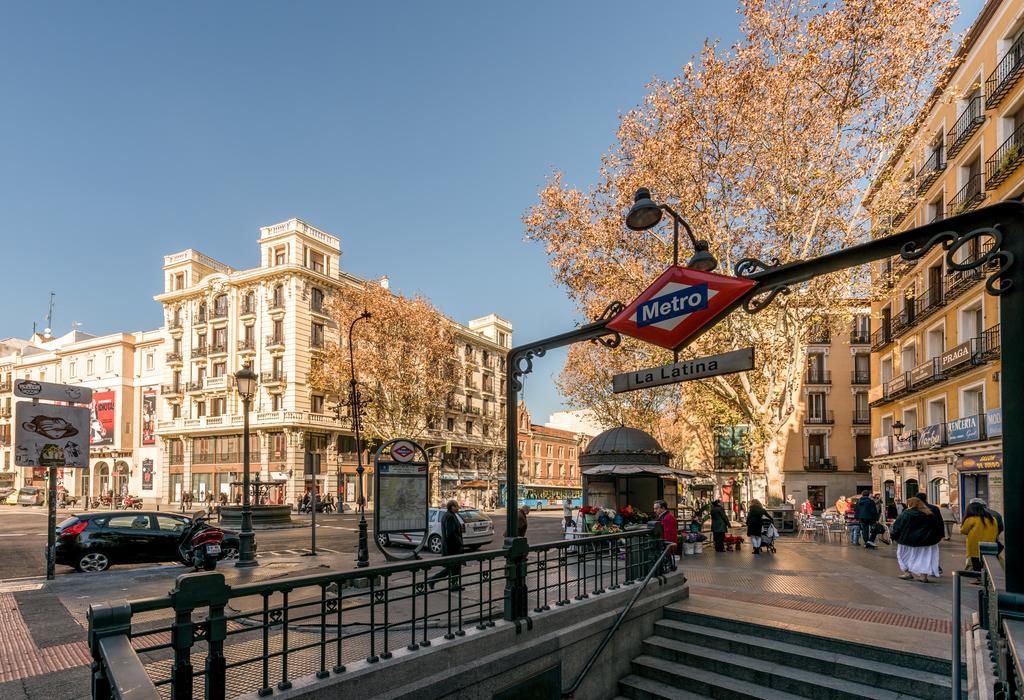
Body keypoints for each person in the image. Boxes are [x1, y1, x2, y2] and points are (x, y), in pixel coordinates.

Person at [890, 497, 942, 582]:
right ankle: (923, 576)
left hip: (907, 540)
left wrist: (893, 536)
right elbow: (937, 527)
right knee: (925, 558)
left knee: (903, 556)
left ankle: (907, 573)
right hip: (926, 541)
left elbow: (898, 526)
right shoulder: (929, 514)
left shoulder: (906, 514)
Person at [429, 500, 464, 590]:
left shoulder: (449, 515)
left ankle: (452, 584)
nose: (458, 508)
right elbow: (451, 533)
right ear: (452, 507)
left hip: (451, 547)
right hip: (453, 548)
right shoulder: (450, 516)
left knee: (453, 568)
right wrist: (459, 542)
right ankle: (434, 580)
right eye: (456, 506)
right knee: (453, 568)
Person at [960, 501, 999, 576]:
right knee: (987, 563)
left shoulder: (971, 519)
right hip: (990, 544)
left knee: (976, 564)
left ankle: (979, 579)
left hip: (975, 545)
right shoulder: (992, 519)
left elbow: (963, 531)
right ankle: (985, 578)